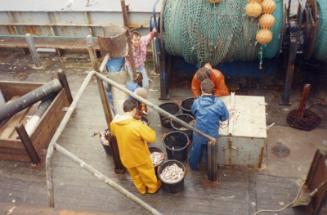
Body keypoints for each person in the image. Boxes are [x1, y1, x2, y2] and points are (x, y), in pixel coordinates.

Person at [110, 99, 161, 194]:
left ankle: (141, 189)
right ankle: (152, 188)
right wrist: (144, 125)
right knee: (147, 173)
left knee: (135, 175)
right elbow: (152, 137)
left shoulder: (114, 123)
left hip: (125, 157)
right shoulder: (137, 125)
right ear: (134, 109)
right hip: (140, 157)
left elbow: (113, 133)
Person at [189, 79, 229, 170]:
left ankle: (193, 166)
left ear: (201, 89)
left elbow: (194, 113)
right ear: (213, 89)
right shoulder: (220, 103)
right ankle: (210, 167)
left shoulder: (196, 102)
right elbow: (225, 117)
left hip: (199, 133)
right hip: (212, 135)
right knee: (211, 151)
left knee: (196, 149)